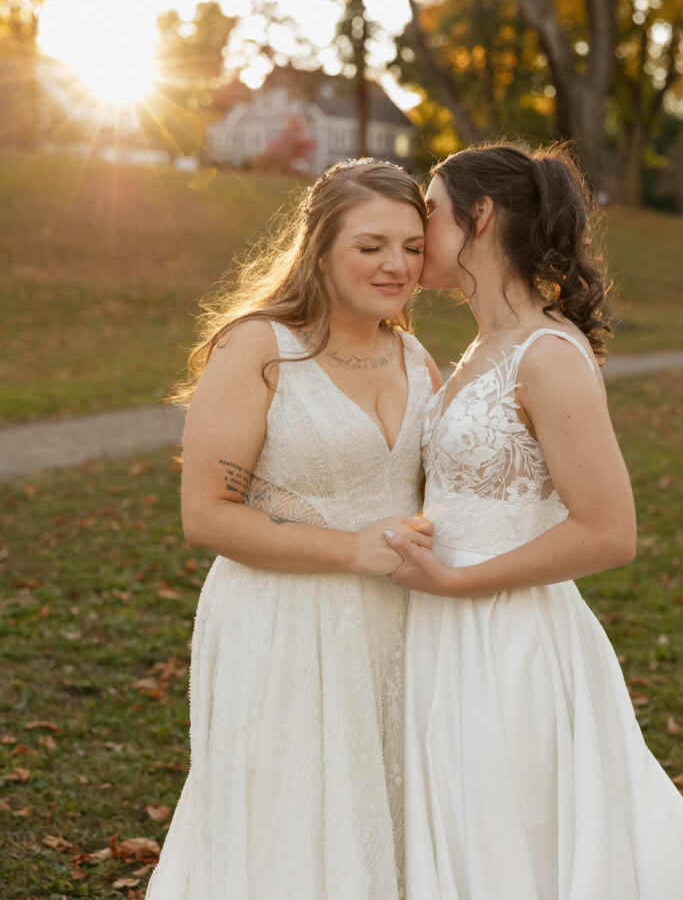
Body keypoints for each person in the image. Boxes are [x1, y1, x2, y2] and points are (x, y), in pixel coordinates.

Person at [384, 144, 683, 899]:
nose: (418, 228)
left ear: (478, 218)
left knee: (510, 843)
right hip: (439, 631)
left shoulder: (546, 354)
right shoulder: (479, 348)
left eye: (431, 208)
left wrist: (460, 581)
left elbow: (610, 532)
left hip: (508, 637)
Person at [145, 158, 441, 900]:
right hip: (281, 622)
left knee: (384, 817)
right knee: (290, 820)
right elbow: (207, 512)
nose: (395, 264)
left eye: (411, 245)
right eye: (370, 245)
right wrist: (348, 547)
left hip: (397, 623)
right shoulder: (258, 348)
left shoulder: (415, 357)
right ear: (320, 246)